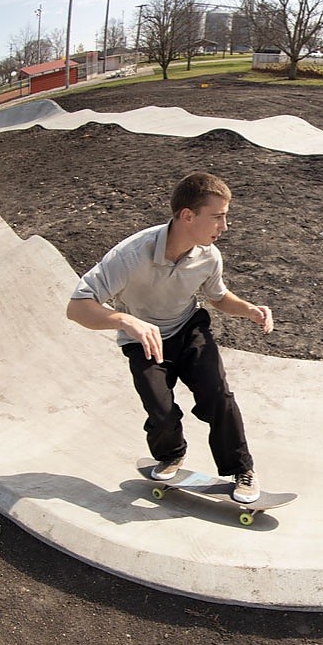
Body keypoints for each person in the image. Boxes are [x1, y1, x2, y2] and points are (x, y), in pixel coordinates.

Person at [66, 172, 273, 503]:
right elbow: (77, 308)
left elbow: (217, 297)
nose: (225, 226)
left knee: (217, 394)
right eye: (217, 217)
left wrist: (249, 309)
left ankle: (241, 468)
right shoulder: (131, 255)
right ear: (188, 215)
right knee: (160, 411)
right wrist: (125, 321)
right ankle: (171, 454)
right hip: (143, 340)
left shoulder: (208, 255)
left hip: (189, 330)